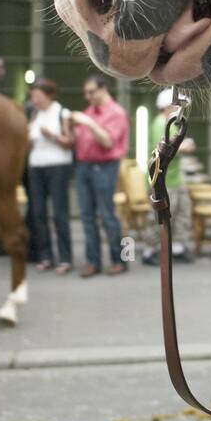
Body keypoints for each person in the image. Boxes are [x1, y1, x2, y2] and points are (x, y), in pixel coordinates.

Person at [73, 73, 130, 278]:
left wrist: (88, 123)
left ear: (103, 89)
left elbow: (107, 142)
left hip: (105, 166)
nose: (88, 97)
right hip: (84, 166)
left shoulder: (116, 113)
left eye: (91, 92)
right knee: (87, 217)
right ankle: (93, 261)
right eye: (86, 93)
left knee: (108, 215)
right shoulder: (90, 111)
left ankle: (120, 260)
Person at [26, 78, 74, 274]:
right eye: (32, 97)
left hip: (58, 166)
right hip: (36, 166)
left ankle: (65, 258)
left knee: (59, 213)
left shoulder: (62, 112)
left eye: (37, 96)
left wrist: (52, 136)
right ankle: (45, 255)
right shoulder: (35, 114)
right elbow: (29, 141)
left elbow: (69, 141)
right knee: (38, 213)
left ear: (49, 95)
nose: (34, 101)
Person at [146, 89, 195, 263]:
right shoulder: (162, 123)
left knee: (181, 211)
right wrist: (185, 146)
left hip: (173, 177)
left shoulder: (168, 122)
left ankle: (177, 248)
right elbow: (164, 147)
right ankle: (152, 250)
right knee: (162, 215)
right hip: (165, 178)